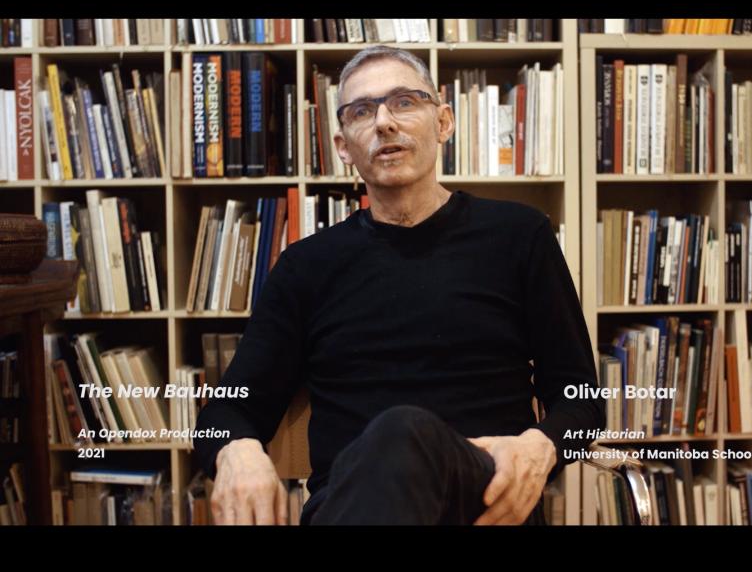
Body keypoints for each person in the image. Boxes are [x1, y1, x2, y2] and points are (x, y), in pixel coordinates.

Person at [193, 45, 604, 525]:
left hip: (485, 499)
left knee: (402, 429)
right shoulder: (305, 266)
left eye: (405, 101)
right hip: (350, 503)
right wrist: (236, 450)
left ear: (444, 122)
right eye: (362, 111)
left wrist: (542, 446)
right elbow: (230, 409)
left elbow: (581, 401)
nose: (385, 122)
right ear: (344, 146)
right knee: (395, 436)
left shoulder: (519, 236)